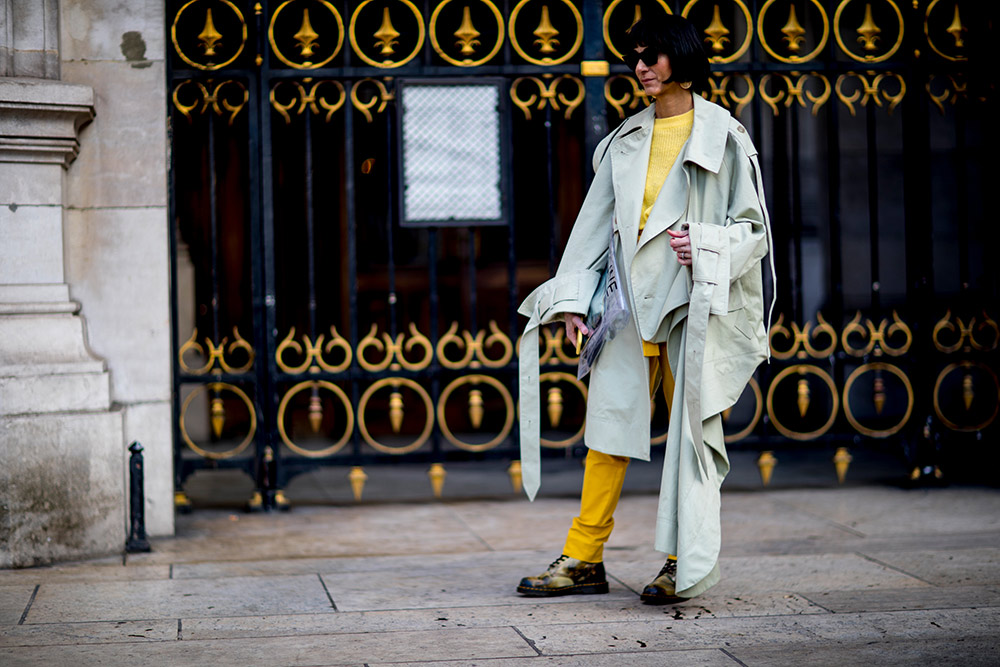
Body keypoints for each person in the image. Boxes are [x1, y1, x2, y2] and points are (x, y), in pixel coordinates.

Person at [515, 14, 775, 604]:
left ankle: (682, 563)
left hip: (692, 307)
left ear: (681, 60)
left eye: (652, 56)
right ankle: (583, 558)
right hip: (627, 307)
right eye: (636, 56)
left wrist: (706, 244)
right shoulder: (624, 139)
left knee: (690, 436)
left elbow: (752, 229)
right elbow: (593, 227)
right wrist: (577, 300)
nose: (641, 67)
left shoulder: (724, 136)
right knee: (607, 430)